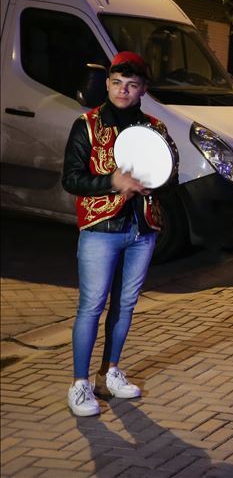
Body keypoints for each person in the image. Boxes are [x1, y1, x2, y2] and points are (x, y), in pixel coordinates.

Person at [62, 51, 175, 416]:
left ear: (143, 89)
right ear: (107, 83)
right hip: (100, 229)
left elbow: (170, 175)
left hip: (142, 229)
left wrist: (154, 183)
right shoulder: (88, 125)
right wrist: (112, 181)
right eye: (116, 83)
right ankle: (79, 385)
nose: (122, 91)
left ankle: (109, 373)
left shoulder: (155, 129)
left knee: (125, 305)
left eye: (131, 85)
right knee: (91, 306)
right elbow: (71, 179)